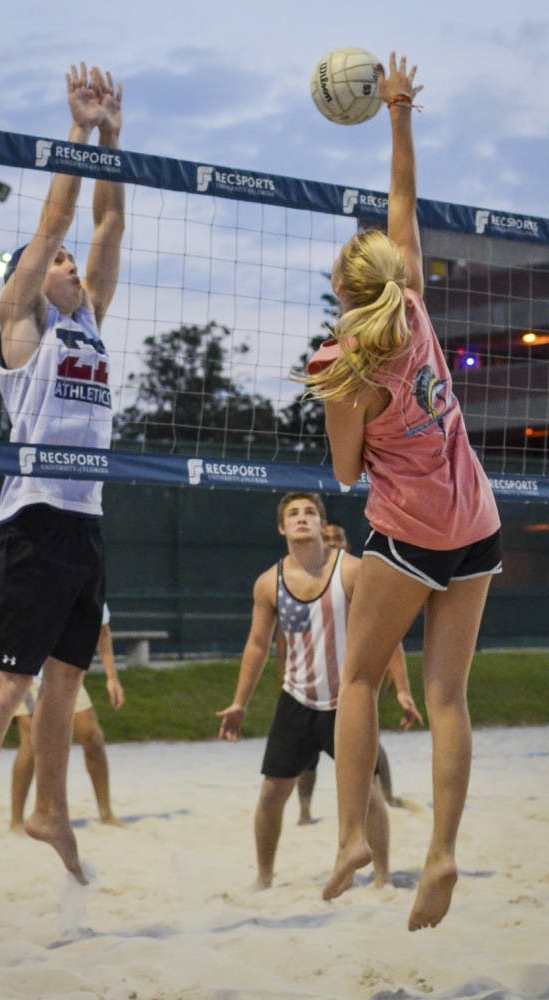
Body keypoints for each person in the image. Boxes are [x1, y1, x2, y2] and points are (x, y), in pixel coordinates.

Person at [308, 54, 502, 930]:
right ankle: (444, 851)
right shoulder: (415, 305)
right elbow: (404, 199)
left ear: (341, 294)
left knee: (355, 681)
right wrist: (396, 113)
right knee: (450, 697)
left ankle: (352, 834)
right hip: (481, 521)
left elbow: (347, 476)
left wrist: (339, 398)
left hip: (415, 532)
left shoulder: (344, 365)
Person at [0, 62, 125, 899]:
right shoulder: (24, 325)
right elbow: (56, 222)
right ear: (31, 275)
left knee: (66, 677)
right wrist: (79, 132)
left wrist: (118, 141)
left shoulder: (88, 319)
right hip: (36, 518)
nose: (75, 273)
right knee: (12, 678)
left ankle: (52, 809)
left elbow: (107, 223)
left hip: (82, 519)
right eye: (59, 268)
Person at [216, 492, 423, 891]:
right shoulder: (268, 583)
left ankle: (382, 879)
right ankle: (263, 878)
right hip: (295, 699)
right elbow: (257, 645)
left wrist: (403, 689)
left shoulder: (352, 572)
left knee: (371, 796)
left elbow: (387, 633)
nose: (301, 518)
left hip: (347, 702)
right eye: (293, 513)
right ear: (281, 527)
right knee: (272, 794)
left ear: (321, 525)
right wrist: (239, 702)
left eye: (309, 512)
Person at [282, 521, 402, 825]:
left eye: (338, 537)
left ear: (347, 545)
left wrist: (400, 681)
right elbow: (286, 635)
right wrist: (285, 672)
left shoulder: (357, 578)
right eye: (327, 538)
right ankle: (305, 812)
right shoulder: (301, 581)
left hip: (350, 683)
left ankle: (386, 798)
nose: (333, 542)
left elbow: (388, 630)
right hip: (310, 684)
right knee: (305, 756)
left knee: (368, 744)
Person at [10, 603, 124, 830]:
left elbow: (102, 632)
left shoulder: (91, 582)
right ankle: (17, 820)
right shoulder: (36, 576)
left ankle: (106, 813)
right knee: (32, 744)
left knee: (92, 735)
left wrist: (112, 677)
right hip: (26, 671)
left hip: (65, 675)